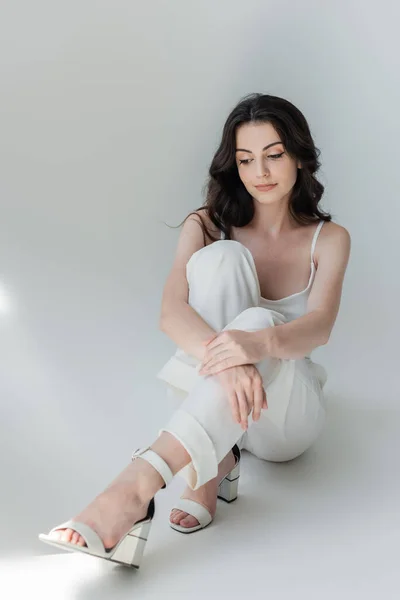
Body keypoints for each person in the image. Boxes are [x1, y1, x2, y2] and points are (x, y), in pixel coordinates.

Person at [39, 93, 351, 567]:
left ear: (300, 157)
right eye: (246, 159)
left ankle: (137, 485)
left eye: (274, 155)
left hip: (285, 419)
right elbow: (171, 313)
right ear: (233, 165)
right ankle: (211, 467)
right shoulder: (207, 224)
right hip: (224, 392)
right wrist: (231, 366)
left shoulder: (328, 238)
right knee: (222, 260)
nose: (260, 172)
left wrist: (256, 342)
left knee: (262, 320)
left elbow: (319, 329)